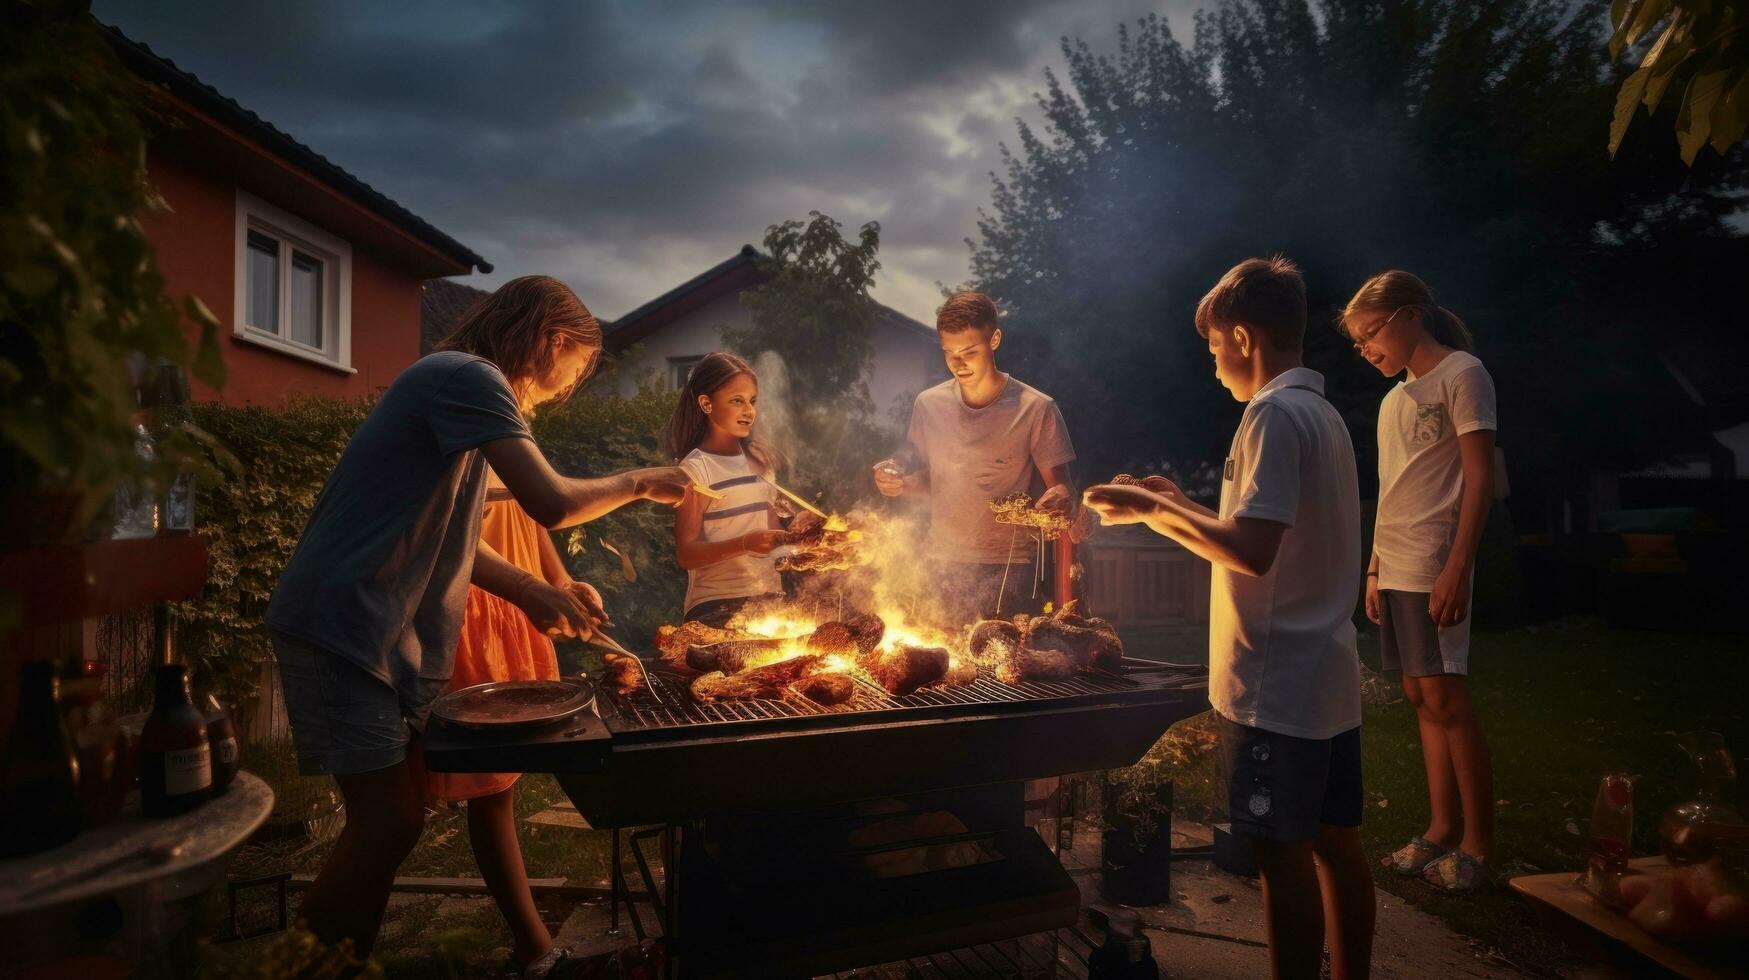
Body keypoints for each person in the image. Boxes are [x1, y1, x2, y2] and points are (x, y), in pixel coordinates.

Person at [265, 276, 693, 960]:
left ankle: (337, 966)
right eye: (576, 369)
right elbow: (550, 501)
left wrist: (532, 588)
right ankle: (297, 971)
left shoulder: (454, 386)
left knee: (395, 822)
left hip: (368, 625)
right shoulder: (467, 376)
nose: (566, 388)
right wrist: (640, 481)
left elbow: (458, 535)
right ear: (554, 340)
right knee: (384, 825)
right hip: (342, 621)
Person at [1084, 257, 1375, 980]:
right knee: (1337, 845)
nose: (1212, 362)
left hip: (1274, 686)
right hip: (1325, 675)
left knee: (1280, 858)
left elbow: (1250, 552)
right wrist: (1175, 505)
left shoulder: (1272, 414)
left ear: (1242, 336)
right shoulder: (1322, 413)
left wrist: (1152, 510)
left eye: (1213, 345)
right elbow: (1261, 531)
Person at [1343, 271, 1496, 893]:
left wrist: (1458, 565)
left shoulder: (1463, 374)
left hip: (1438, 558)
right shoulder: (1392, 401)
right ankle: (1439, 829)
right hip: (1398, 562)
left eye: (1370, 334)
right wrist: (1375, 566)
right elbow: (1391, 488)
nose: (1366, 349)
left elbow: (1480, 478)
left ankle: (1479, 844)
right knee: (1420, 698)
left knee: (1449, 700)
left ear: (1409, 316)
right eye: (1357, 343)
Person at [871, 291, 1077, 624]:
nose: (959, 364)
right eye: (949, 353)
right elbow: (932, 481)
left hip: (1011, 565)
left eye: (970, 352)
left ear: (994, 339)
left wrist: (1060, 499)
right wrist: (898, 483)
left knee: (1006, 662)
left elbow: (1063, 488)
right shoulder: (928, 404)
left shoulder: (1036, 408)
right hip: (943, 562)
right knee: (947, 662)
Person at [666, 352, 802, 626]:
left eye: (752, 401)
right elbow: (686, 553)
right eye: (736, 401)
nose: (748, 411)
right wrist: (744, 544)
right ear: (706, 403)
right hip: (714, 607)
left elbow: (774, 540)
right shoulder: (696, 469)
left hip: (768, 598)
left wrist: (802, 534)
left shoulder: (761, 462)